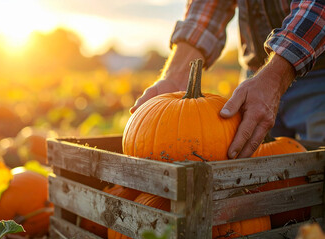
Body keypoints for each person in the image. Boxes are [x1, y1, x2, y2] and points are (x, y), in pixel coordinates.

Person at [130, 0, 325, 158]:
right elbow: (210, 5)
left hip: (318, 74)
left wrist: (275, 76)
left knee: (315, 180)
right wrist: (176, 75)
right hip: (255, 77)